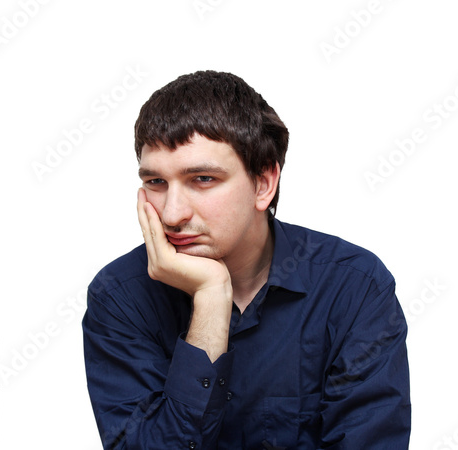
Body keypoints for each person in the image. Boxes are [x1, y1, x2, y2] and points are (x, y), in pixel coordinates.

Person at [82, 70, 411, 449]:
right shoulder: (120, 297)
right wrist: (210, 298)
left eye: (202, 179)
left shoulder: (354, 288)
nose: (172, 214)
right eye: (156, 182)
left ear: (263, 184)